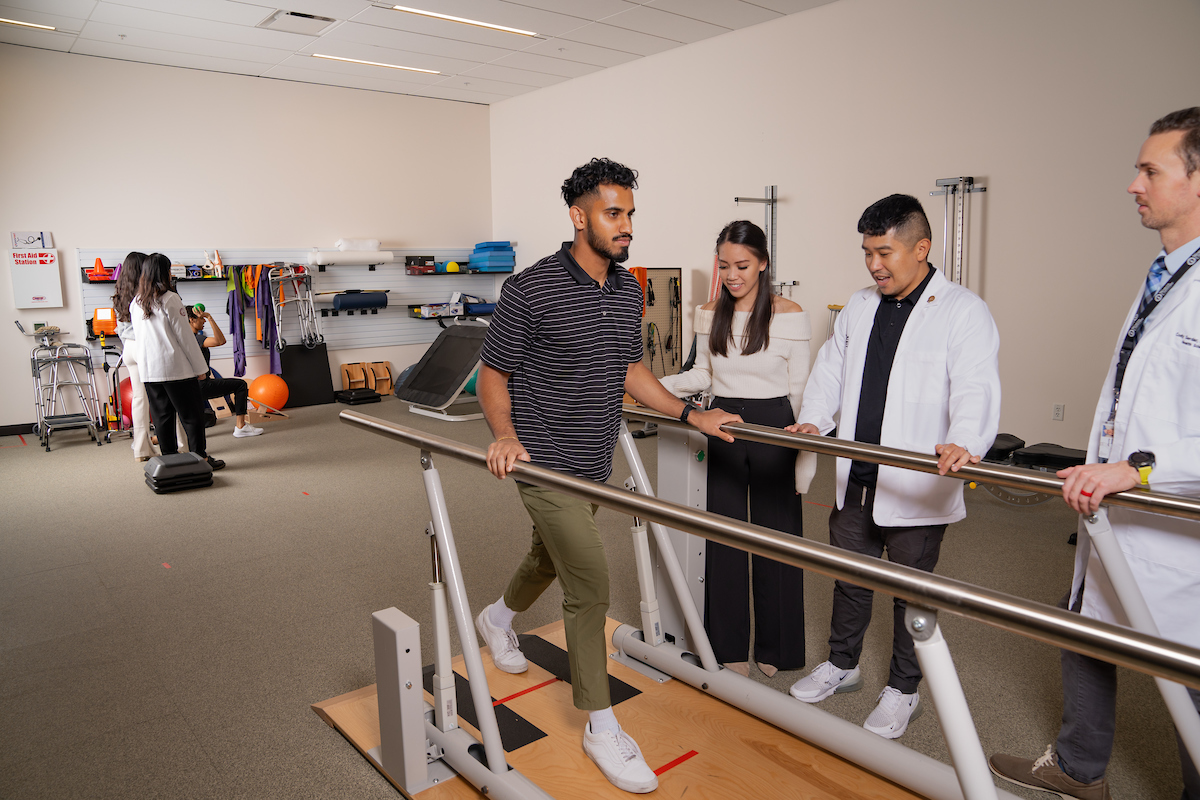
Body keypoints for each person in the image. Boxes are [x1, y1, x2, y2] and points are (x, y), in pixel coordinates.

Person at [474, 157, 742, 794]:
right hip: (541, 459)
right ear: (578, 216)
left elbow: (628, 368)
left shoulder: (626, 289)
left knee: (550, 557)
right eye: (612, 214)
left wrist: (688, 414)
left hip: (594, 456)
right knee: (590, 582)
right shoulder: (531, 287)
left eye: (629, 214)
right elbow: (492, 373)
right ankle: (601, 726)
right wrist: (506, 436)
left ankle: (496, 618)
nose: (625, 227)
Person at [990, 108, 1200, 800]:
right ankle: (1079, 769)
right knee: (1081, 622)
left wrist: (1137, 470)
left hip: (1175, 529)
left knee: (1187, 682)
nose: (1132, 184)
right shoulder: (1166, 275)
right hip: (1119, 515)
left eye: (1150, 170)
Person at [785, 194, 1000, 739]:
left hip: (916, 484)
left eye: (884, 252)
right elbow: (831, 368)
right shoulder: (859, 305)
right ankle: (843, 663)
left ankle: (904, 690)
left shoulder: (962, 310)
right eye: (866, 252)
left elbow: (975, 384)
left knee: (913, 593)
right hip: (857, 475)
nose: (873, 264)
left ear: (921, 248)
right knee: (851, 580)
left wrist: (966, 440)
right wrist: (814, 419)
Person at [658, 220, 816, 678]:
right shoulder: (709, 313)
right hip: (723, 423)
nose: (732, 274)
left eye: (742, 265)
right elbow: (703, 375)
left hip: (775, 426)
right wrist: (654, 387)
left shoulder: (790, 314)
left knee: (777, 543)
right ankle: (726, 646)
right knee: (722, 542)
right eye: (724, 265)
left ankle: (778, 648)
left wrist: (804, 468)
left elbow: (802, 393)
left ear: (763, 264)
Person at [129, 253, 225, 471]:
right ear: (164, 272)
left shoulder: (136, 302)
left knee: (162, 418)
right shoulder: (170, 298)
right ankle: (200, 458)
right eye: (170, 269)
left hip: (150, 371)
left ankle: (169, 461)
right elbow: (186, 338)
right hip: (175, 371)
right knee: (192, 417)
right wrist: (201, 369)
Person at [186, 305, 263, 438]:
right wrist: (210, 318)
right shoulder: (196, 339)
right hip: (201, 386)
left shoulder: (184, 339)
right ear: (191, 320)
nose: (203, 321)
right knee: (240, 385)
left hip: (190, 386)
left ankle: (157, 438)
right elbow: (220, 341)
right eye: (201, 318)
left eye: (205, 318)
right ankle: (241, 427)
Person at [112, 251, 155, 462]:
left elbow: (119, 328)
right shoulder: (146, 293)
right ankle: (178, 446)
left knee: (139, 400)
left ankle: (141, 450)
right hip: (145, 347)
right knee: (163, 397)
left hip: (128, 348)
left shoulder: (120, 291)